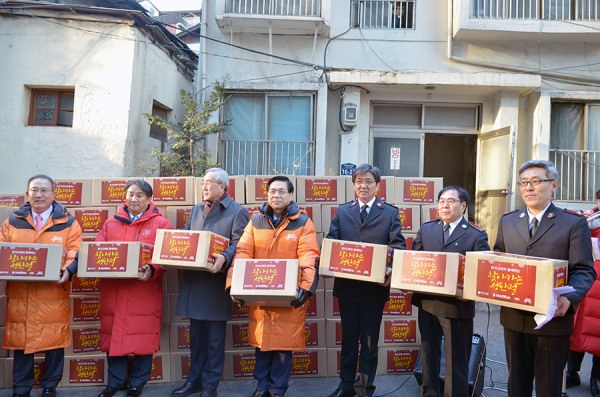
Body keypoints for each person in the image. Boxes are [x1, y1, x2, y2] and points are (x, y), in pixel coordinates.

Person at [494, 160, 596, 397]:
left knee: (548, 388)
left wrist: (569, 299)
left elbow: (584, 270)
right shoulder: (508, 221)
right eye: (524, 183)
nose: (528, 188)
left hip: (553, 320)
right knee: (516, 386)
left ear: (554, 185)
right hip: (514, 318)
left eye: (536, 181)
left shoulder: (573, 222)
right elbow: (498, 261)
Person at [226, 175, 319, 397]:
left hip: (289, 296)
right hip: (259, 296)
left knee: (282, 348)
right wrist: (233, 284)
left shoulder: (303, 223)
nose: (276, 196)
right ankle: (261, 388)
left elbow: (309, 257)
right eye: (272, 192)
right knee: (262, 345)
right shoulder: (255, 221)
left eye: (281, 192)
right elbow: (243, 253)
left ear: (290, 195)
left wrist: (305, 289)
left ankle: (277, 390)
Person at [326, 164, 405, 397]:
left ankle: (365, 388)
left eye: (368, 181)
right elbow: (332, 241)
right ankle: (346, 385)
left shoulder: (389, 213)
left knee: (369, 342)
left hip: (374, 290)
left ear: (378, 185)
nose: (363, 185)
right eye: (359, 181)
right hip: (348, 288)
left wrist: (389, 270)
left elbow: (397, 246)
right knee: (349, 339)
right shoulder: (342, 211)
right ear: (353, 185)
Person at [0, 175, 82, 397]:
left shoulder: (68, 222)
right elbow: (2, 250)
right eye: (34, 190)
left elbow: (75, 250)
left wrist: (69, 269)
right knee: (20, 341)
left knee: (54, 341)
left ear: (54, 194)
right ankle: (21, 389)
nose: (39, 195)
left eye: (44, 191)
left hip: (53, 291)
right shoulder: (12, 221)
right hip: (20, 293)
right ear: (27, 193)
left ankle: (49, 387)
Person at [171, 168, 249, 397]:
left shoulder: (238, 212)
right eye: (203, 183)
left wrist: (224, 257)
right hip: (195, 281)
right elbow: (186, 237)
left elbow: (239, 244)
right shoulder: (196, 209)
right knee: (196, 340)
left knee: (215, 341)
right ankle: (193, 382)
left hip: (216, 284)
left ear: (223, 187)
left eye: (208, 183)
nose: (203, 187)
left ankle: (209, 386)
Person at [96, 180, 173, 397]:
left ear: (149, 199)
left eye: (139, 195)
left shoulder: (162, 224)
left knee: (143, 336)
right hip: (115, 290)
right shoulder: (111, 223)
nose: (134, 199)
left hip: (144, 290)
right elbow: (98, 251)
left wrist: (153, 268)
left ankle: (137, 383)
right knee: (114, 336)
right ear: (125, 197)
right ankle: (115, 383)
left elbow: (166, 256)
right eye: (130, 194)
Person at [412, 185, 490, 397]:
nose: (445, 205)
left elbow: (483, 273)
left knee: (456, 360)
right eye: (441, 201)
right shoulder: (427, 229)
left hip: (457, 307)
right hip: (427, 304)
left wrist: (468, 290)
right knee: (428, 356)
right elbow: (414, 262)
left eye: (451, 201)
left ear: (463, 206)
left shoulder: (476, 235)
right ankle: (429, 393)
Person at [566, 189, 600, 396]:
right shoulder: (588, 218)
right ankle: (572, 372)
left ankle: (596, 377)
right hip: (587, 280)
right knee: (577, 328)